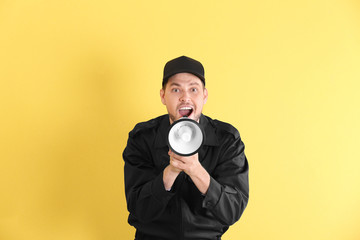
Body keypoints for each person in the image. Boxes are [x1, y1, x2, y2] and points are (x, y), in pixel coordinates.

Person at [123, 56, 249, 240]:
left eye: (193, 89)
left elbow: (232, 210)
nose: (185, 97)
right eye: (176, 89)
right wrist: (171, 172)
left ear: (204, 96)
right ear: (163, 96)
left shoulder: (227, 139)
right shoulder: (142, 138)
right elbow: (138, 209)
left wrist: (196, 170)